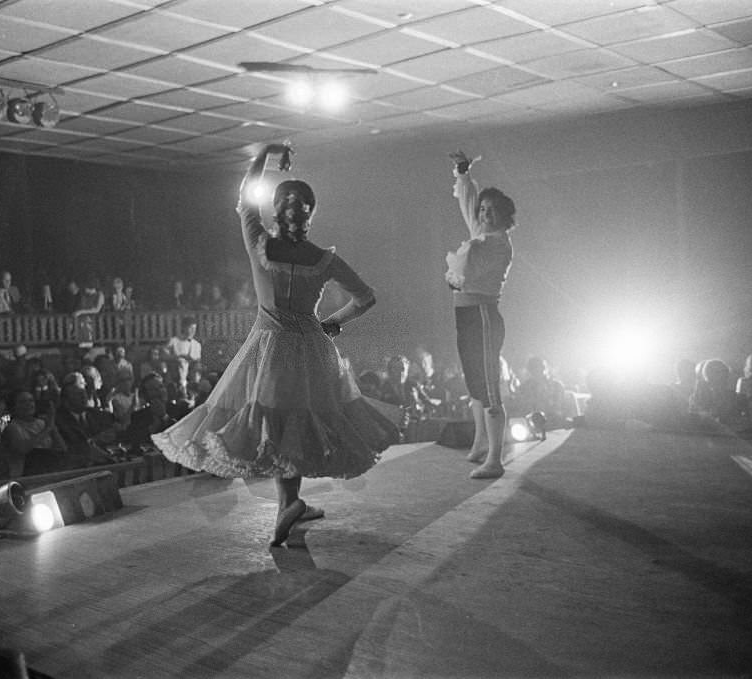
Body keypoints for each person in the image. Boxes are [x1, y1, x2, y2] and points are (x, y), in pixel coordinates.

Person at [152, 142, 398, 547]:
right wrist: (332, 325)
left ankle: (291, 505)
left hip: (270, 346)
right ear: (310, 214)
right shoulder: (323, 258)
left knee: (281, 422)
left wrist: (265, 155)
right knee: (295, 422)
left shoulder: (259, 242)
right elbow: (366, 298)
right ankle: (292, 504)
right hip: (311, 346)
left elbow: (243, 198)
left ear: (277, 209)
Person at [445, 149, 515, 479]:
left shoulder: (497, 243)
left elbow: (465, 269)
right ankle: (480, 443)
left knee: (488, 387)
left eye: (491, 211)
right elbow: (468, 203)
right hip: (466, 315)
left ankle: (496, 459)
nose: (484, 214)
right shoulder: (482, 235)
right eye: (483, 209)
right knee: (474, 384)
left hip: (484, 316)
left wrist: (453, 277)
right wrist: (463, 173)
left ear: (504, 217)